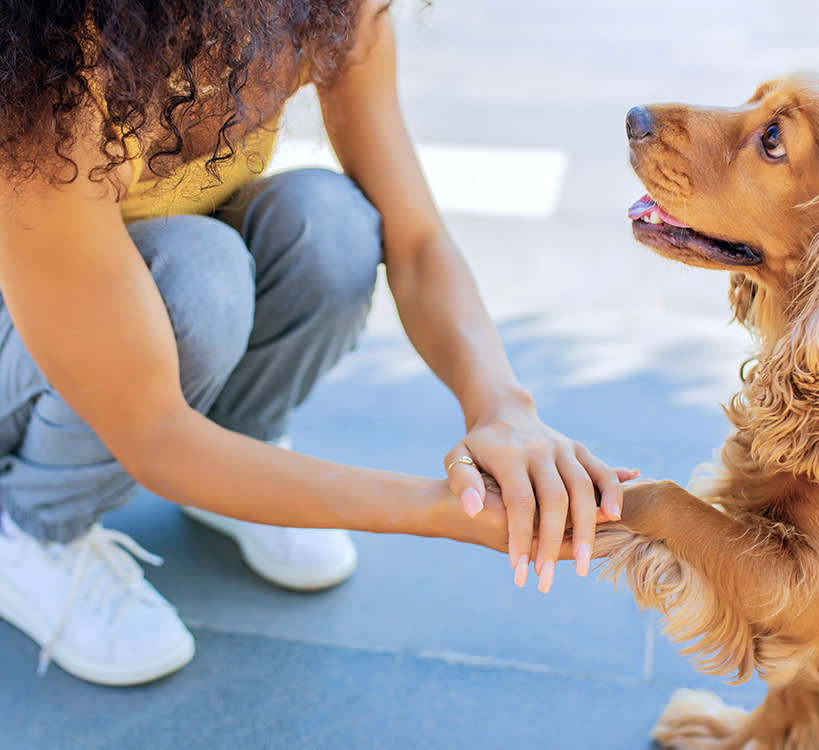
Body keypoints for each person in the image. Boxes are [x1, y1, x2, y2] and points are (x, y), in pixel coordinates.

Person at [0, 0, 632, 687]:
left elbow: (415, 241)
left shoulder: (319, 9)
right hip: (28, 340)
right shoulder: (49, 61)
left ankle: (237, 467)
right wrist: (434, 510)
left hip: (149, 306)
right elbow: (154, 434)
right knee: (199, 278)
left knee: (329, 224)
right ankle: (34, 528)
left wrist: (503, 408)